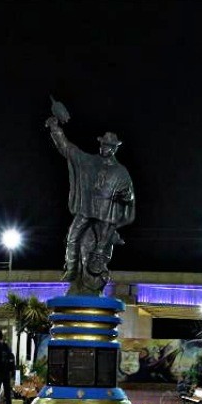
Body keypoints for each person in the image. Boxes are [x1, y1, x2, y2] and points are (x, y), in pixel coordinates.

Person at [46, 105, 135, 295]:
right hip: (86, 209)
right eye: (103, 145)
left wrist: (125, 197)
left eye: (109, 146)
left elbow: (129, 196)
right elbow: (67, 149)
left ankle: (95, 277)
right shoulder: (88, 162)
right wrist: (55, 129)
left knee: (100, 249)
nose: (105, 148)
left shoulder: (121, 172)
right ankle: (71, 269)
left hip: (106, 216)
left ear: (114, 149)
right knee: (72, 236)